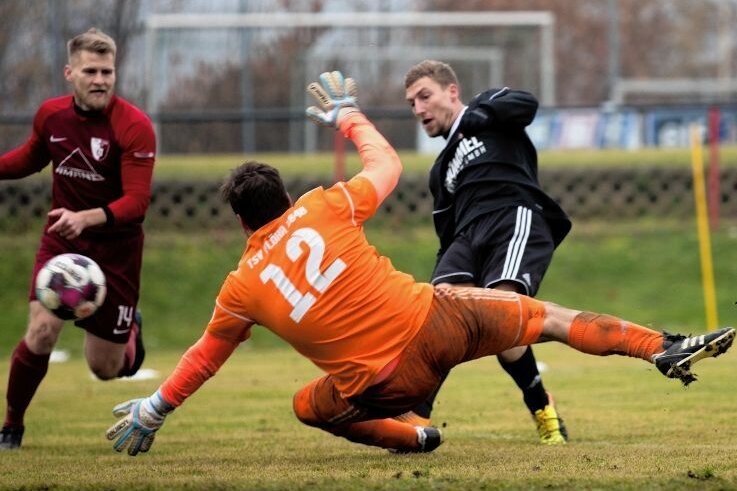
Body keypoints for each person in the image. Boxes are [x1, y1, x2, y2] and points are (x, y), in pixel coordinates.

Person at [106, 71, 734, 456]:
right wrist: (348, 117)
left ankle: (416, 435)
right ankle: (661, 346)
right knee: (549, 319)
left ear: (241, 224)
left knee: (307, 406)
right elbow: (386, 166)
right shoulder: (324, 207)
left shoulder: (239, 287)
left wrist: (154, 408)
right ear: (287, 199)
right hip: (435, 324)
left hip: (382, 388)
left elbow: (204, 358)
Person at [401, 59, 573, 444]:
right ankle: (416, 418)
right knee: (438, 320)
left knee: (503, 317)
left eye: (424, 96)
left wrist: (481, 115)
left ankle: (542, 408)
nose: (418, 109)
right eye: (411, 103)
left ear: (452, 92)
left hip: (513, 215)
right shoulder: (440, 170)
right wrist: (444, 272)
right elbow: (446, 231)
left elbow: (526, 104)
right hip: (466, 238)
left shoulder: (489, 106)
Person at [0, 28, 154, 450]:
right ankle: (11, 425)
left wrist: (87, 218)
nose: (100, 79)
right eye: (91, 71)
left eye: (107, 71)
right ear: (70, 73)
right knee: (43, 330)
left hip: (117, 253)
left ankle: (130, 335)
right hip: (63, 246)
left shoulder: (134, 126)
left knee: (104, 368)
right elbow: (29, 158)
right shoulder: (51, 116)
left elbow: (138, 202)